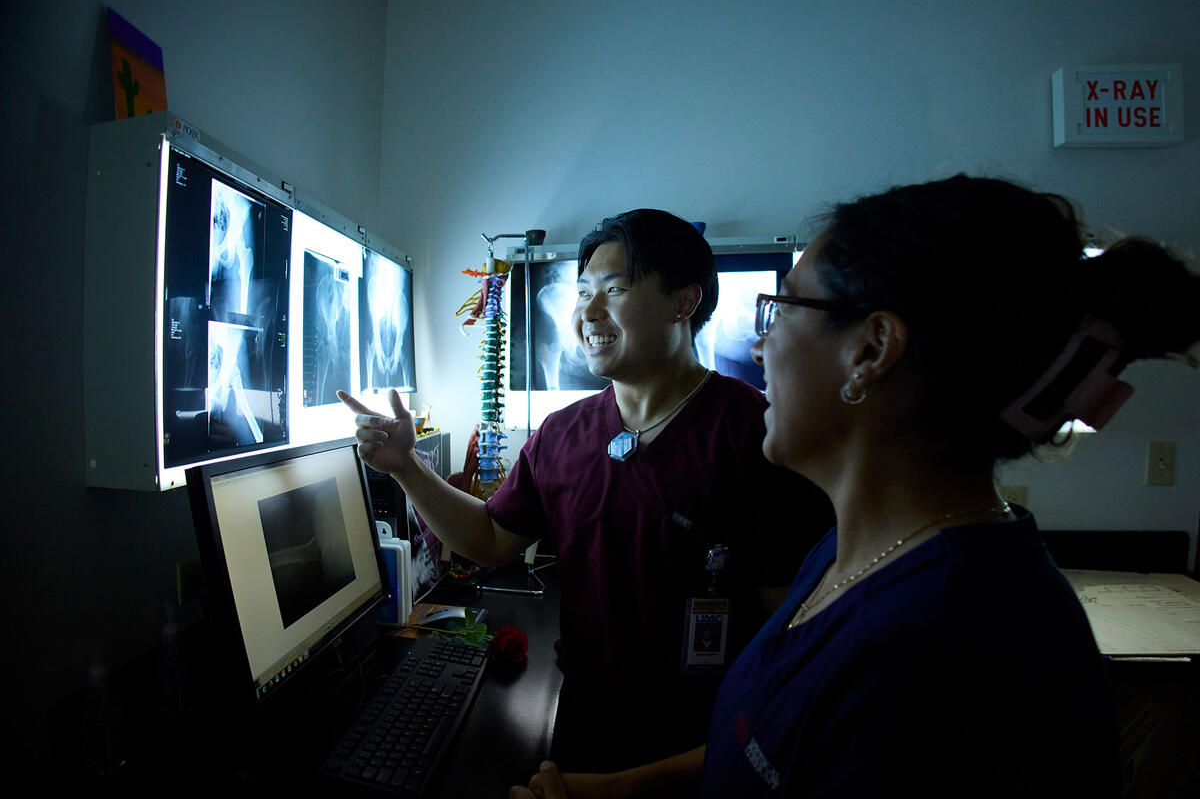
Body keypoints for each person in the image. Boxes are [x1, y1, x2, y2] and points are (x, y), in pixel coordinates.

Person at [509, 175, 1200, 798]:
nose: (758, 347)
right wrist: (617, 791)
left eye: (780, 311)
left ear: (870, 351)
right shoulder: (852, 556)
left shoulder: (947, 647)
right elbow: (766, 745)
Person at [339, 209, 834, 772]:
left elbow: (790, 638)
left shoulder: (758, 433)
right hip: (582, 730)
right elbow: (490, 538)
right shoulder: (562, 435)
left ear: (684, 302)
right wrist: (405, 468)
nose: (587, 314)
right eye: (581, 294)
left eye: (614, 290)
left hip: (706, 746)